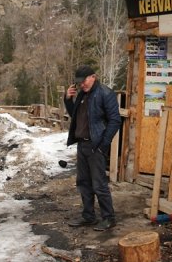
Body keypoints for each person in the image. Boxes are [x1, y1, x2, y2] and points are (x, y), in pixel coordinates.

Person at [64, 65, 121, 230]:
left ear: (93, 77)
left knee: (99, 184)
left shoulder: (105, 93)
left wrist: (103, 145)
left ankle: (109, 218)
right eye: (79, 83)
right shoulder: (83, 94)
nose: (82, 85)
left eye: (84, 81)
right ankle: (88, 216)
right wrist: (68, 99)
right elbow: (74, 115)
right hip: (82, 145)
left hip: (96, 146)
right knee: (83, 183)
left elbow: (115, 120)